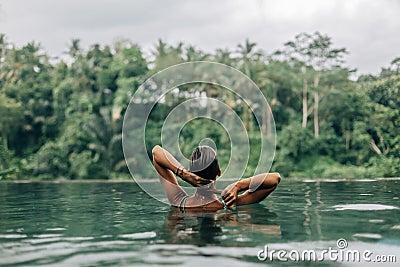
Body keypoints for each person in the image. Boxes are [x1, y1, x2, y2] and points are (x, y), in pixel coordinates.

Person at [152, 145, 281, 211]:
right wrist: (239, 185)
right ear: (218, 172)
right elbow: (275, 179)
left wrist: (183, 173)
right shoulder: (229, 205)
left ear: (191, 172)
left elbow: (156, 151)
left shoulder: (178, 201)